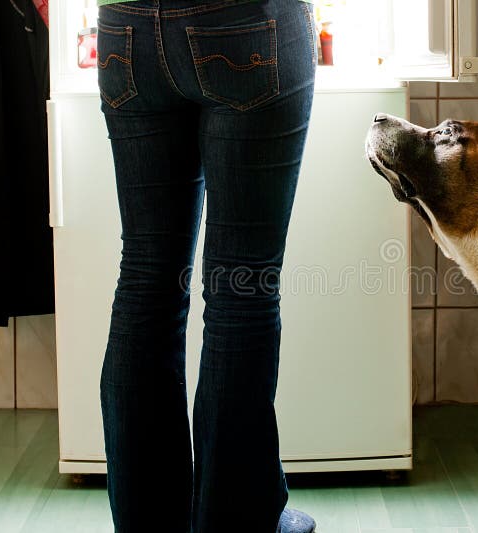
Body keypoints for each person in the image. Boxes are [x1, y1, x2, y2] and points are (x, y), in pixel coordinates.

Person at [95, 0, 317, 531]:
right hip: (246, 22)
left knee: (147, 274)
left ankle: (149, 523)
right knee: (242, 286)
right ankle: (236, 521)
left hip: (125, 27)